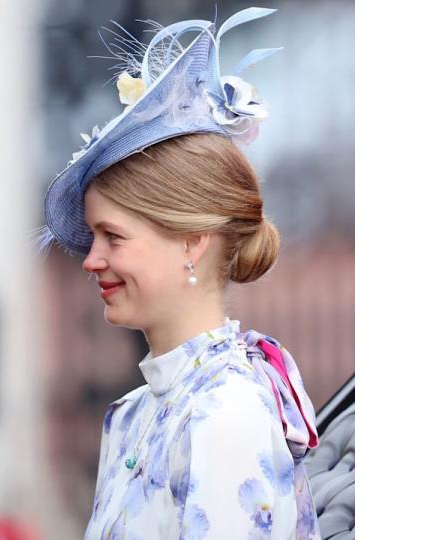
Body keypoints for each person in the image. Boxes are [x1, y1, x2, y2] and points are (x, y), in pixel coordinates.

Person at [33, 7, 321, 539]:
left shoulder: (225, 411)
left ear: (192, 241)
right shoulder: (133, 412)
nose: (91, 259)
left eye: (113, 237)